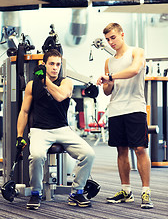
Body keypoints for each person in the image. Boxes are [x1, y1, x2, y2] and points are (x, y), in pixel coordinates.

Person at [16, 49, 95, 209]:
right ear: (44, 65)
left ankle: (77, 192)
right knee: (37, 156)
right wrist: (19, 136)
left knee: (89, 154)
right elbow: (24, 112)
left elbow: (59, 96)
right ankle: (36, 193)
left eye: (58, 64)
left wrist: (44, 80)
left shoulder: (66, 83)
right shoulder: (32, 85)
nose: (55, 67)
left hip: (63, 129)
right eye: (51, 64)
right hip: (40, 130)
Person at [97, 23, 153, 209]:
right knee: (121, 151)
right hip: (116, 109)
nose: (110, 42)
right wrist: (107, 81)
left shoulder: (137, 52)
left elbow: (134, 70)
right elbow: (107, 91)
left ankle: (146, 192)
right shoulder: (109, 62)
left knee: (139, 149)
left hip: (135, 107)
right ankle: (126, 191)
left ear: (122, 34)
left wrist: (111, 77)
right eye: (107, 39)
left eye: (113, 38)